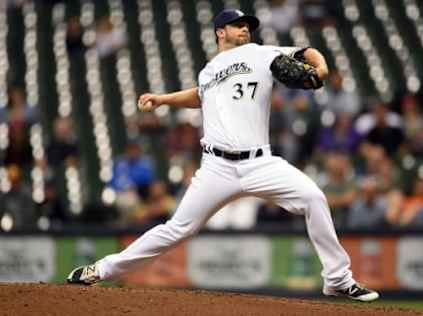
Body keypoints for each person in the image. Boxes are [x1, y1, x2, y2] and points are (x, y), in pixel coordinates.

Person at [67, 9, 378, 302]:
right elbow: (199, 95)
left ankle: (337, 279)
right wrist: (163, 99)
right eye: (238, 24)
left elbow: (307, 52)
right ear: (220, 32)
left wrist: (320, 68)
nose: (246, 28)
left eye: (248, 26)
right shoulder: (209, 71)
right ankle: (102, 269)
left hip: (260, 162)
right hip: (216, 167)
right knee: (177, 228)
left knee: (313, 197)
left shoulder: (262, 52)